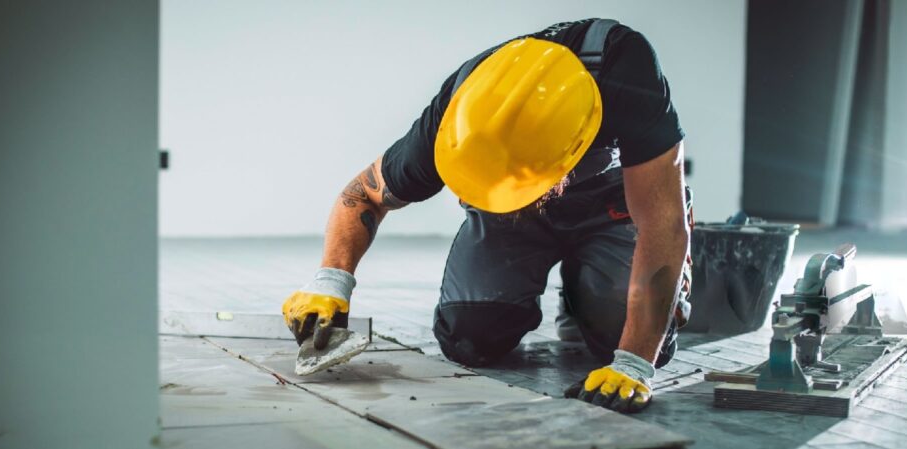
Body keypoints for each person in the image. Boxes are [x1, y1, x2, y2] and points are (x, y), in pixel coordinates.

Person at [283, 18, 693, 414]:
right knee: (469, 338)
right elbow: (362, 194)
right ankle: (573, 279)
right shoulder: (460, 109)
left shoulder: (622, 67)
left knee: (627, 336)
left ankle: (592, 290)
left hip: (614, 210)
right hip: (512, 220)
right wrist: (331, 281)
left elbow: (662, 221)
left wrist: (634, 363)